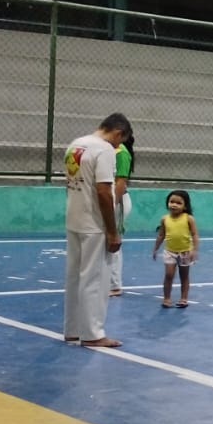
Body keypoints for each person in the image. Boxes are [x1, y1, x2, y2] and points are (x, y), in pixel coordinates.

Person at [62, 112, 131, 348]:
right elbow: (103, 191)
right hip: (94, 223)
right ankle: (92, 333)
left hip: (74, 218)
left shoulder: (76, 145)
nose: (118, 145)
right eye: (120, 141)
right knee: (95, 279)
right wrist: (112, 231)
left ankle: (72, 330)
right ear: (118, 132)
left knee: (74, 277)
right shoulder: (104, 150)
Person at [150, 190, 200, 308]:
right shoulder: (164, 219)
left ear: (185, 206)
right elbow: (161, 235)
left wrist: (194, 250)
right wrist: (155, 248)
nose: (174, 205)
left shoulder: (189, 218)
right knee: (168, 275)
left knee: (184, 276)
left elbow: (194, 235)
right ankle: (166, 298)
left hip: (185, 252)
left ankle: (183, 298)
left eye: (178, 203)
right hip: (170, 251)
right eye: (172, 202)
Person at [107, 132, 134, 297]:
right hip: (112, 200)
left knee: (113, 239)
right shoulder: (109, 150)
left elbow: (120, 183)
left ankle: (114, 285)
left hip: (118, 201)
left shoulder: (121, 152)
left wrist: (112, 204)